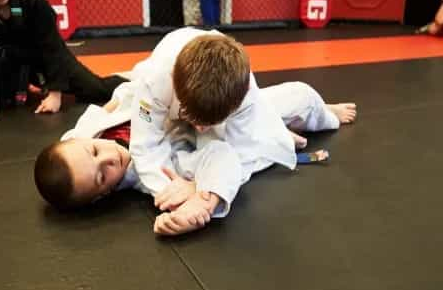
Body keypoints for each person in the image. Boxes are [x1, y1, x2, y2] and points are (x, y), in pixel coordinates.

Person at [35, 28, 356, 235]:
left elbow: (107, 109)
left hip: (212, 86)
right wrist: (200, 194)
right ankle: (291, 129)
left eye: (94, 151)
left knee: (298, 103)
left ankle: (322, 117)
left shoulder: (74, 145)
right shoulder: (155, 170)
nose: (109, 158)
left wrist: (268, 136)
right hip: (181, 103)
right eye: (103, 176)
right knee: (289, 109)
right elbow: (225, 156)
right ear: (102, 194)